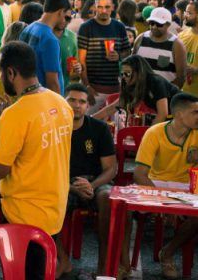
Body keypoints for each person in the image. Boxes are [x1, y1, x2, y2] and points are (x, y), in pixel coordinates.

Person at [0, 41, 74, 280]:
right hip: (54, 209)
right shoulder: (61, 103)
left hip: (23, 214)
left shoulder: (15, 114)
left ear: (11, 73)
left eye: (0, 72)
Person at [133, 92, 198, 277]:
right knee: (125, 209)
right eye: (195, 112)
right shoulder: (155, 132)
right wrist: (165, 204)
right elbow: (139, 174)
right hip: (155, 184)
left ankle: (167, 253)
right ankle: (122, 264)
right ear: (178, 115)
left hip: (185, 186)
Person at [62, 83, 117, 276]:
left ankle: (104, 268)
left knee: (108, 198)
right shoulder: (53, 128)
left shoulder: (99, 128)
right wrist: (70, 187)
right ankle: (62, 260)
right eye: (72, 100)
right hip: (63, 183)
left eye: (82, 102)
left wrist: (91, 185)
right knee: (45, 201)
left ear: (88, 106)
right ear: (63, 101)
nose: (77, 105)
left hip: (96, 182)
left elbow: (111, 168)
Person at [78, 0, 132, 109]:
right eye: (100, 7)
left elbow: (127, 53)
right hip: (94, 90)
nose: (103, 11)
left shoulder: (119, 27)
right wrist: (87, 87)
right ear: (95, 7)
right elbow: (81, 61)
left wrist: (119, 56)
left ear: (113, 7)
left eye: (107, 7)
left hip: (116, 90)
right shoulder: (86, 28)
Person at [19, 0, 72, 94]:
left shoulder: (28, 28)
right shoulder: (50, 39)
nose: (64, 20)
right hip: (44, 99)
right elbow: (52, 82)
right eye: (65, 15)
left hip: (27, 93)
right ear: (61, 12)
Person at [133, 6, 187, 87]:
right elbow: (133, 66)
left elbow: (181, 78)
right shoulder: (140, 39)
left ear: (168, 24)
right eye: (152, 23)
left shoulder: (177, 45)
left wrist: (165, 94)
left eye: (159, 24)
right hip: (141, 94)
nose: (154, 27)